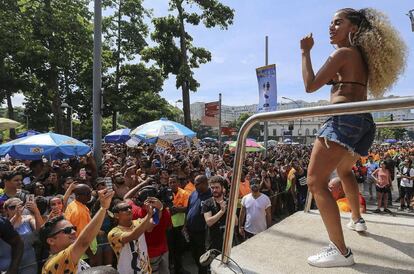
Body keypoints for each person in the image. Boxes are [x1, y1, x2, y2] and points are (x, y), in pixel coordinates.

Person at [301, 7, 406, 267]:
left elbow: (310, 85)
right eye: (331, 23)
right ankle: (357, 219)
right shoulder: (357, 56)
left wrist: (305, 51)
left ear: (354, 29)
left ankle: (340, 251)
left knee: (315, 182)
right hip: (362, 121)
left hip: (343, 119)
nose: (331, 27)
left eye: (338, 22)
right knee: (345, 170)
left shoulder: (344, 53)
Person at [40, 189, 114, 273]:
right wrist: (103, 208)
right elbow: (84, 242)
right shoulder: (55, 261)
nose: (74, 232)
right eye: (67, 230)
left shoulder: (71, 258)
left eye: (73, 228)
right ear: (51, 241)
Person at [108, 201, 153, 274]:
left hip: (146, 271)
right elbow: (133, 236)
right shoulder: (113, 233)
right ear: (116, 215)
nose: (129, 210)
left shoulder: (138, 222)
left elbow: (153, 224)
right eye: (124, 209)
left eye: (130, 208)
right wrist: (149, 215)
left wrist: (159, 208)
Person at [3, 198, 44, 273]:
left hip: (28, 260)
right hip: (8, 260)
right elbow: (5, 231)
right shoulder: (3, 222)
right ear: (6, 210)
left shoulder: (28, 218)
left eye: (19, 206)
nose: (16, 209)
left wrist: (36, 211)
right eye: (12, 207)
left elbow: (40, 230)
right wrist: (16, 216)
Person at [183, 175, 211, 274]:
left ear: (205, 183)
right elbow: (188, 210)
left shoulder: (211, 196)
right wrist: (185, 225)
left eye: (197, 184)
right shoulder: (193, 194)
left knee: (203, 255)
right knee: (194, 254)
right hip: (191, 231)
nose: (195, 185)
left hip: (202, 233)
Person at [64, 184, 98, 265]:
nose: (90, 195)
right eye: (87, 194)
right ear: (78, 196)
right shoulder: (79, 212)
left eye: (90, 192)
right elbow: (81, 237)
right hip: (84, 255)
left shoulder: (73, 204)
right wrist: (91, 256)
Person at [202, 176, 227, 251]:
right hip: (213, 242)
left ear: (222, 187)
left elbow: (235, 222)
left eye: (217, 187)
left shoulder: (228, 202)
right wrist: (221, 212)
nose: (214, 190)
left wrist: (228, 208)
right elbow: (209, 222)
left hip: (227, 240)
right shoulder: (207, 203)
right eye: (212, 188)